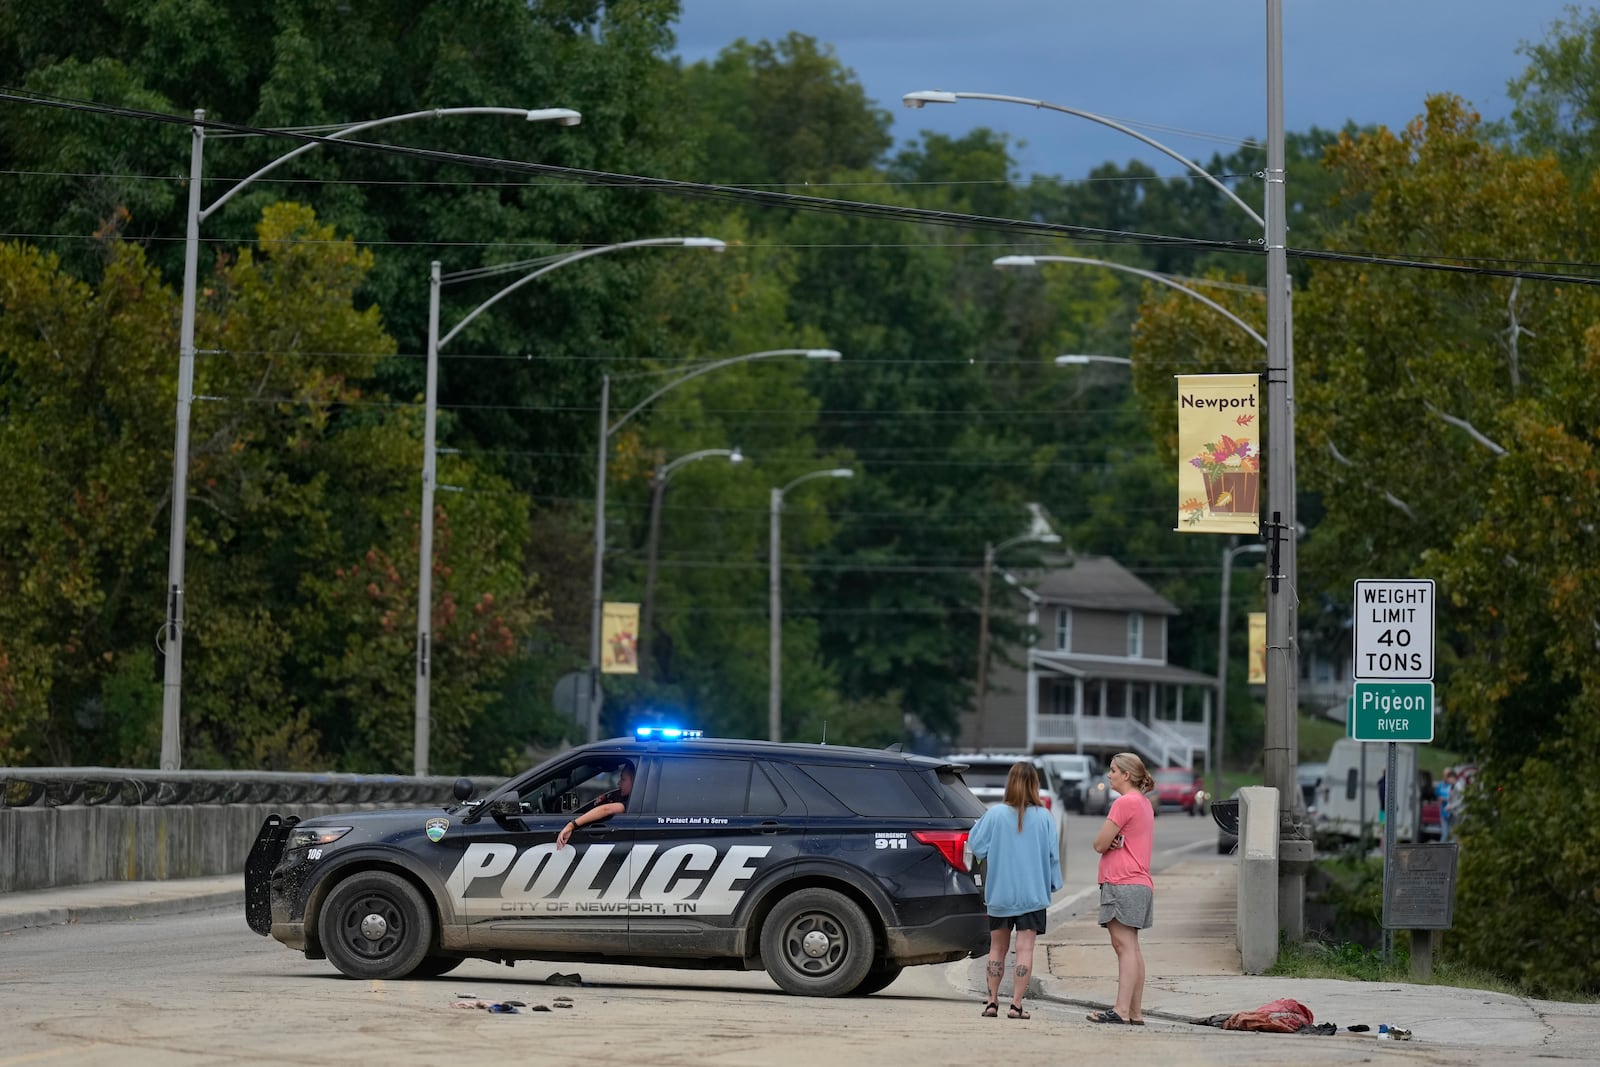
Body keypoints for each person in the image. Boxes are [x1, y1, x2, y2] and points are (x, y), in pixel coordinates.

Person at [967, 761, 1062, 1020]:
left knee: (997, 948)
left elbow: (976, 845)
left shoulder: (995, 815)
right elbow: (1053, 856)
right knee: (1025, 948)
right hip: (1032, 894)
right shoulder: (1045, 817)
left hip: (1000, 892)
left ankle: (991, 1002)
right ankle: (1017, 1005)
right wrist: (1053, 883)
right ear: (1035, 785)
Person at [1087, 752, 1155, 1025]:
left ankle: (1121, 1010)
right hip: (1139, 882)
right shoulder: (1143, 803)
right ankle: (1134, 1011)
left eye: (1113, 770)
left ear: (1127, 775)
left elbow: (1099, 844)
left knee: (1123, 947)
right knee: (1132, 948)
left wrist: (1111, 839)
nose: (1109, 774)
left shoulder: (1124, 802)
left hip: (1122, 882)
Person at [555, 761, 633, 849]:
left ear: (634, 781)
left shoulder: (628, 804)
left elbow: (606, 809)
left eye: (623, 779)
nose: (619, 783)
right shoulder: (622, 797)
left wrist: (572, 825)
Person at [1438, 769, 1457, 842]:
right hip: (1445, 812)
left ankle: (1450, 851)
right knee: (1445, 834)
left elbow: (1458, 799)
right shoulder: (1442, 785)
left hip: (1453, 813)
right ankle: (1441, 851)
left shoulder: (1456, 786)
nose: (1446, 777)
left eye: (1448, 776)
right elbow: (1440, 795)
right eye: (1446, 775)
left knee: (1452, 834)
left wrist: (1450, 805)